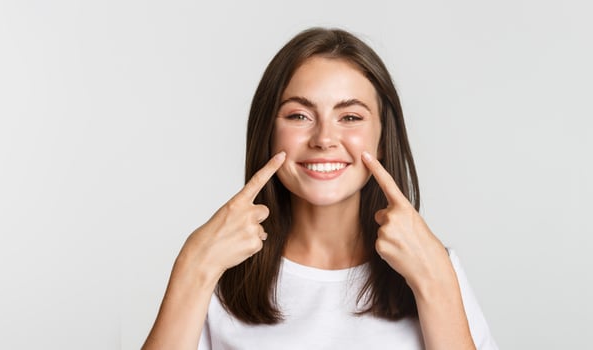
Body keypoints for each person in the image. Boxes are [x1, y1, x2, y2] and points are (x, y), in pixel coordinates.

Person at [142, 27, 497, 350]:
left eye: (351, 117)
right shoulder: (217, 271)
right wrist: (193, 266)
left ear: (383, 139)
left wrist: (435, 284)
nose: (324, 139)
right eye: (299, 116)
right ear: (267, 132)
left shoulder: (436, 266)